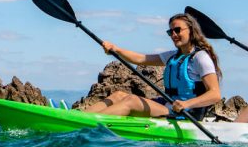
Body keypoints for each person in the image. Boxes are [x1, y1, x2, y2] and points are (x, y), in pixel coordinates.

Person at [84, 13, 222, 119]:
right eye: (170, 32)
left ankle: (90, 124)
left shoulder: (201, 58)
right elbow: (141, 59)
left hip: (186, 113)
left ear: (191, 31)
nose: (174, 34)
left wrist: (186, 104)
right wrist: (116, 49)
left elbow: (215, 94)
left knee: (132, 100)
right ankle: (78, 117)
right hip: (168, 105)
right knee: (119, 95)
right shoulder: (173, 56)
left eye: (178, 30)